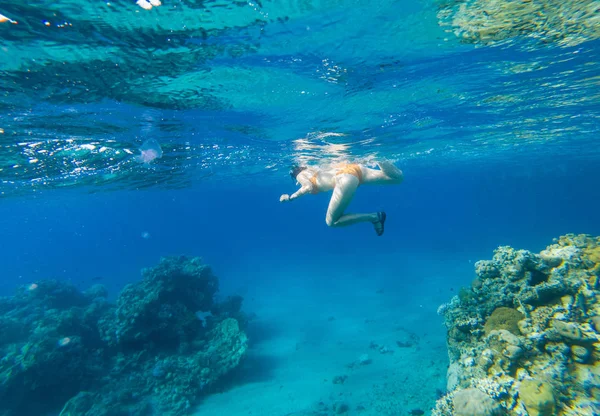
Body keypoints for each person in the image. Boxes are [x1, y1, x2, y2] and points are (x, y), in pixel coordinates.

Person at [280, 161, 404, 236]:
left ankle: (375, 217)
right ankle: (379, 157)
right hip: (354, 169)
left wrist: (291, 197)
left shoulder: (300, 175)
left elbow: (308, 186)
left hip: (345, 177)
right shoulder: (311, 168)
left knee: (332, 222)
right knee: (396, 179)